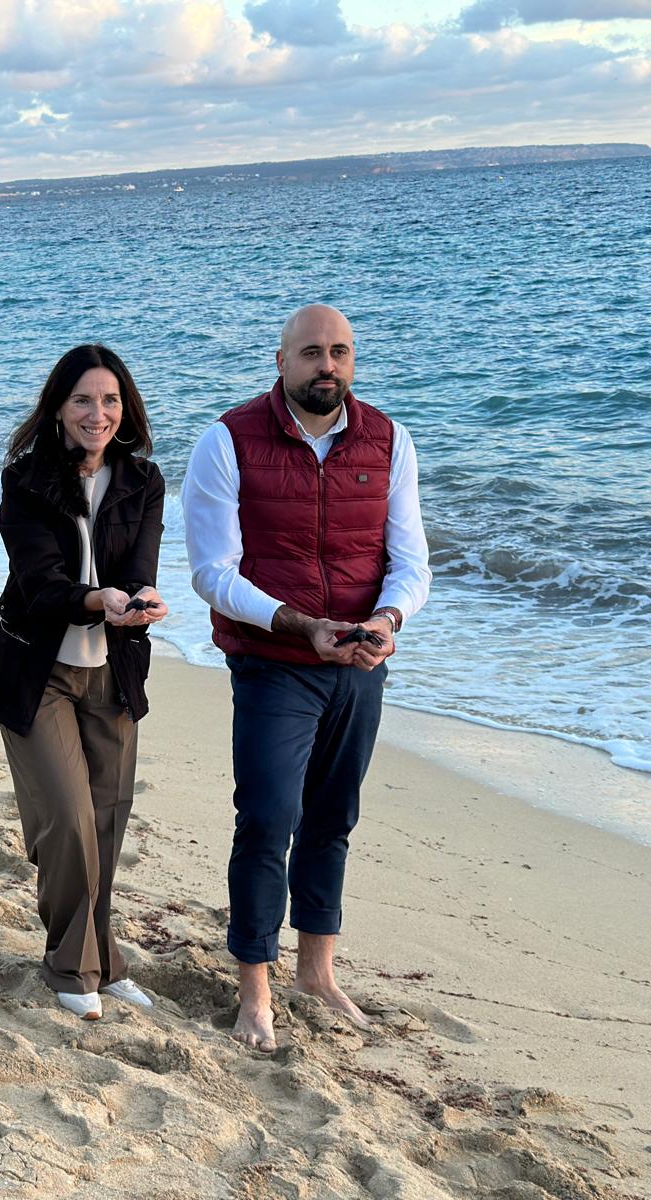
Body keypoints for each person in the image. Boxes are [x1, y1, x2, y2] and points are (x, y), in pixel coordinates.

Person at [181, 304, 431, 1052]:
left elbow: (411, 559)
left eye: (342, 353)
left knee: (332, 818)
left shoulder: (388, 439)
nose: (329, 366)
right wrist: (301, 626)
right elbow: (212, 574)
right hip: (274, 663)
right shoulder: (227, 440)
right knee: (267, 818)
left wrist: (385, 622)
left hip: (359, 661)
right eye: (313, 353)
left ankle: (316, 973)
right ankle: (254, 985)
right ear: (282, 361)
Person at [0, 344, 167, 1021]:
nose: (98, 413)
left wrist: (140, 600)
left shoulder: (143, 480)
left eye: (110, 401)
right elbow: (39, 582)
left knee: (108, 824)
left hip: (114, 670)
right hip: (36, 668)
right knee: (71, 825)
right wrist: (98, 600)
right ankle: (68, 966)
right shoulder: (25, 480)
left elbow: (140, 565)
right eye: (83, 399)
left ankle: (104, 964)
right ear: (58, 406)